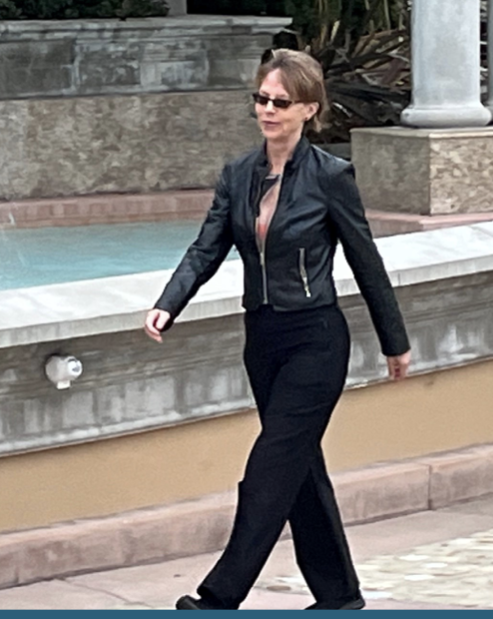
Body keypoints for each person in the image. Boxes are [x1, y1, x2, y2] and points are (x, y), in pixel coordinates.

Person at [144, 48, 412, 611]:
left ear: (308, 109)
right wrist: (169, 303)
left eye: (280, 102)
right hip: (262, 341)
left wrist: (395, 342)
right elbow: (206, 248)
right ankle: (339, 595)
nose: (267, 110)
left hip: (316, 339)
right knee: (299, 470)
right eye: (260, 100)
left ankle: (220, 598)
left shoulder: (331, 177)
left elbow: (367, 261)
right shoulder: (239, 174)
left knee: (267, 472)